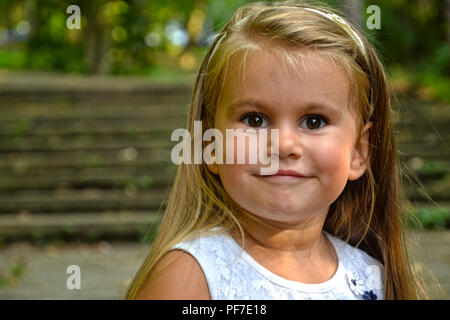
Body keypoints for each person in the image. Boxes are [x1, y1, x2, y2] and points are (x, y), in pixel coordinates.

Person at [125, 1, 426, 300]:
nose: (284, 145)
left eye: (314, 121)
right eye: (255, 120)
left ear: (360, 151)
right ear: (210, 144)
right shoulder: (189, 276)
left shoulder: (373, 278)